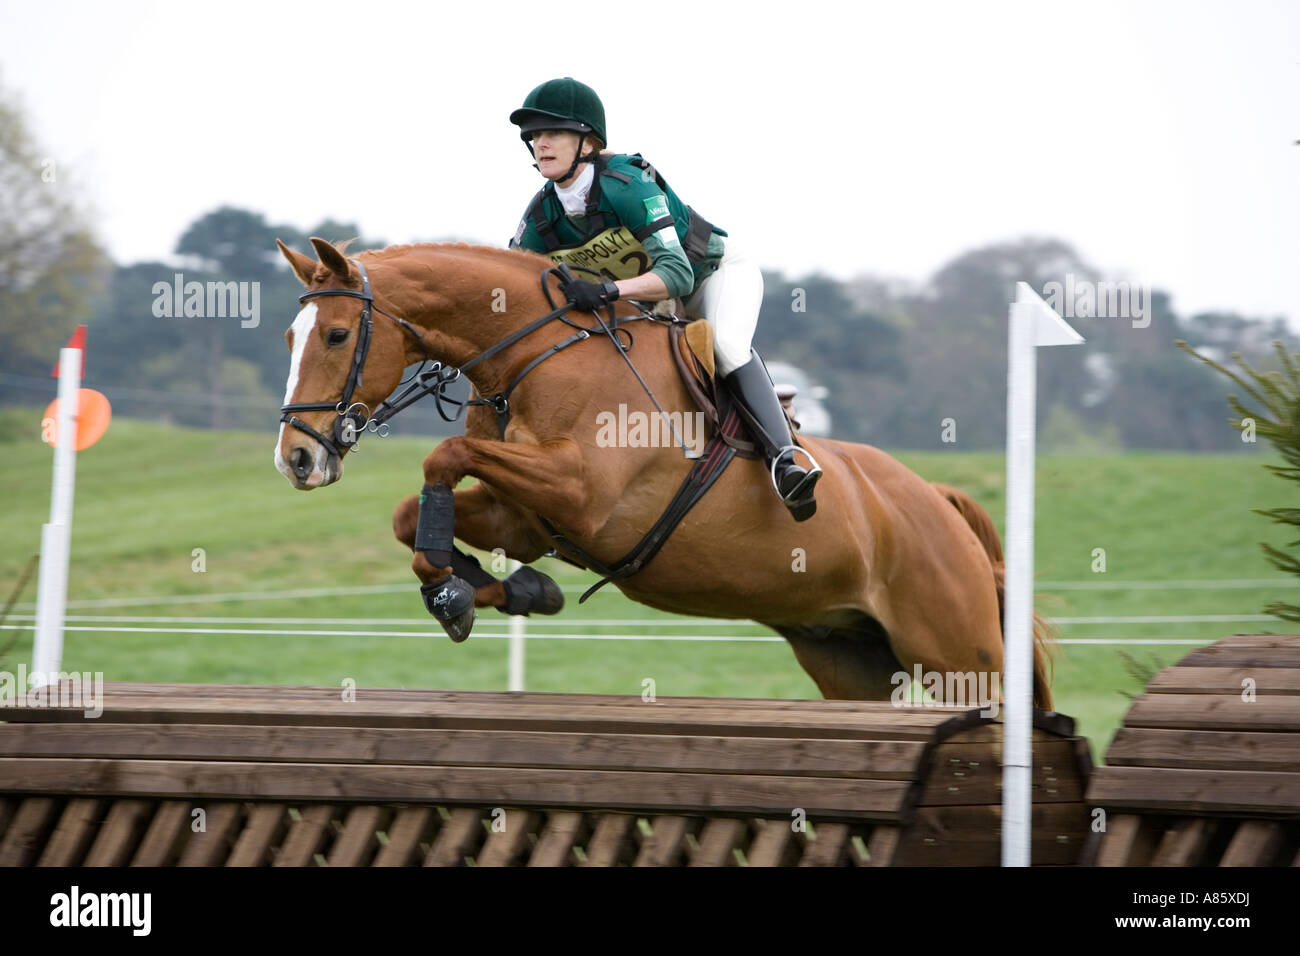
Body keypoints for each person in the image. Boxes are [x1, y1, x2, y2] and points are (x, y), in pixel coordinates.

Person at [508, 77, 821, 521]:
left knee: (726, 347)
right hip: (650, 302)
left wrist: (606, 291)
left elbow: (677, 274)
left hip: (710, 276)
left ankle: (785, 463)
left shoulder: (626, 184)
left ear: (588, 141)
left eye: (553, 132)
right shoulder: (543, 213)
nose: (541, 143)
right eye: (534, 136)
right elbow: (515, 277)